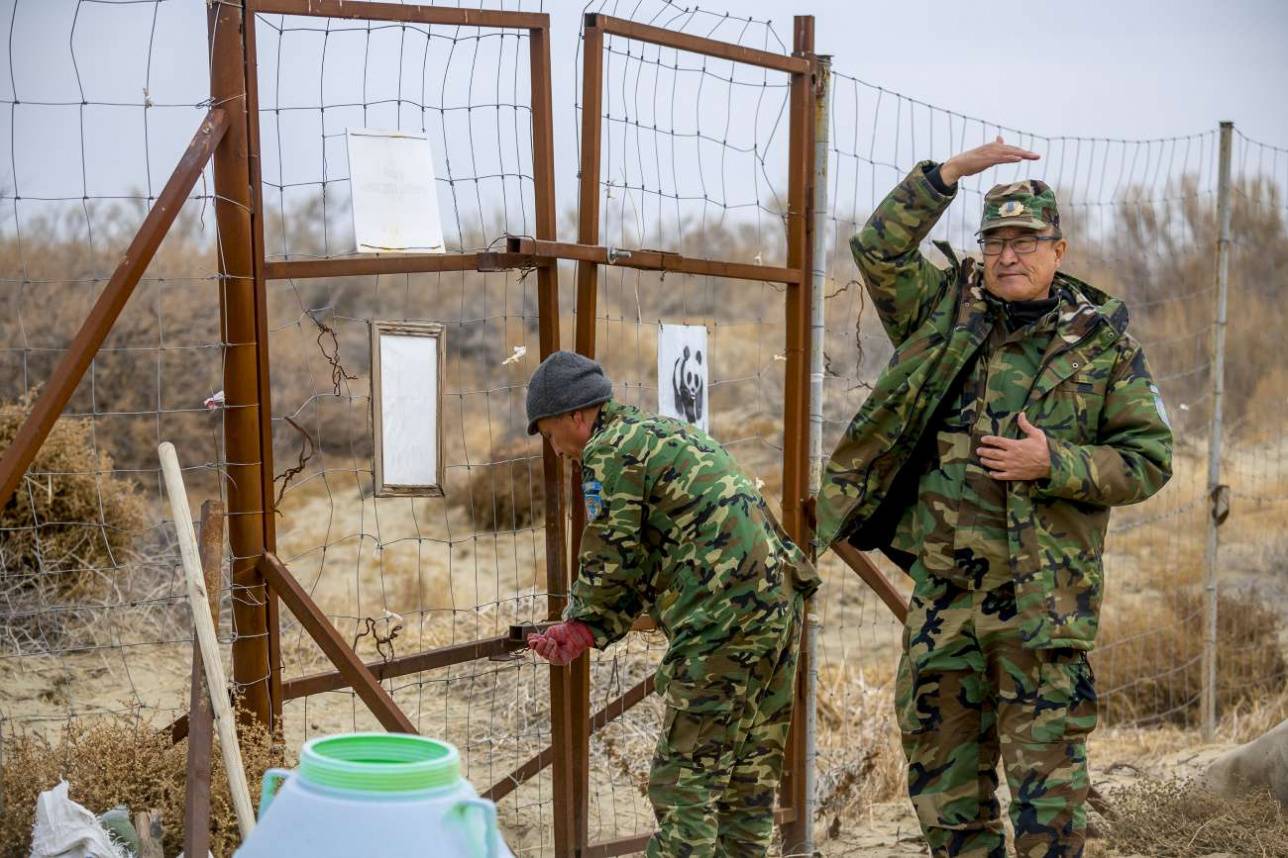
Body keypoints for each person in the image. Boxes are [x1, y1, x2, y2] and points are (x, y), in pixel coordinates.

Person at [814, 138, 1174, 857]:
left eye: (1026, 241)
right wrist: (945, 177)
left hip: (1041, 609)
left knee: (1049, 804)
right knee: (944, 788)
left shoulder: (1101, 348)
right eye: (995, 241)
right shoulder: (943, 310)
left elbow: (1149, 460)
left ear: (1058, 248)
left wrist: (1056, 461)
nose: (1009, 256)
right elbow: (878, 252)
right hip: (944, 598)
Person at [523, 350, 819, 858]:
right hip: (777, 607)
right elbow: (646, 555)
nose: (556, 450)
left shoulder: (610, 449)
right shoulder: (664, 434)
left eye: (551, 435)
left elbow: (612, 554)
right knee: (746, 779)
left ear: (577, 416)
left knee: (683, 782)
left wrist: (580, 624)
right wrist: (594, 625)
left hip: (723, 618)